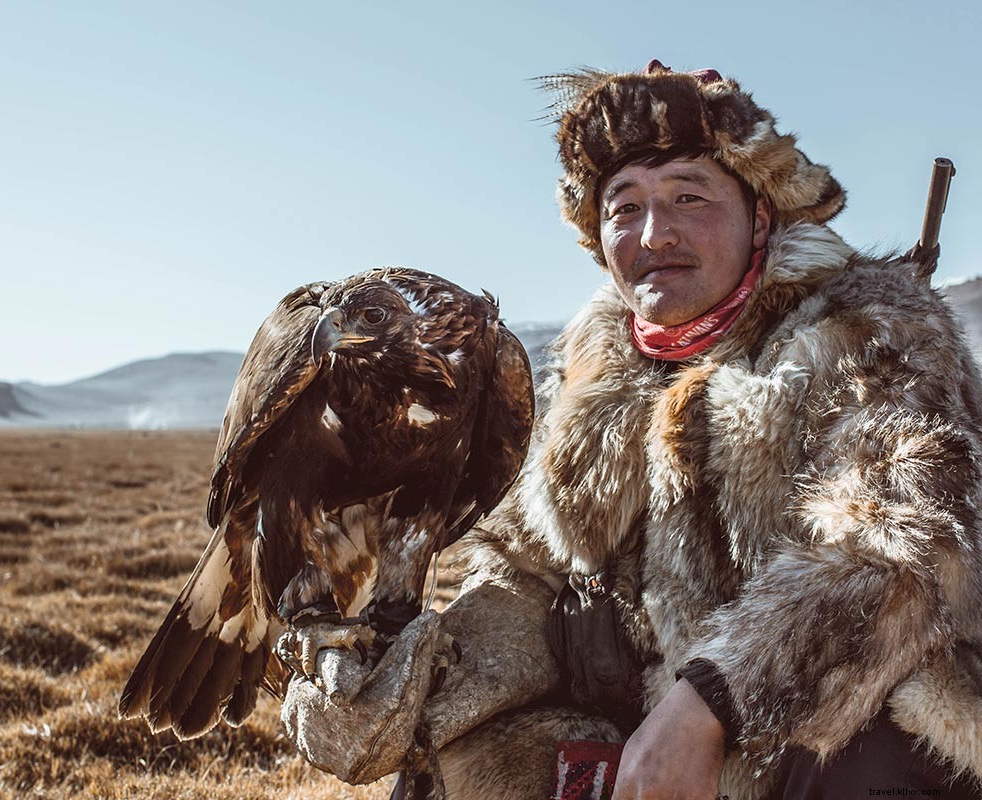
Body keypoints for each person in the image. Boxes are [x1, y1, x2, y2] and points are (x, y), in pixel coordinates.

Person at [282, 61, 982, 800]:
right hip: (641, 724)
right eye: (624, 207)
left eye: (689, 195)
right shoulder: (592, 371)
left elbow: (898, 549)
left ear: (761, 215)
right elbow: (524, 571)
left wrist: (712, 701)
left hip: (819, 729)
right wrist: (413, 686)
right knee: (450, 769)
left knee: (865, 757)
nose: (655, 233)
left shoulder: (867, 330)